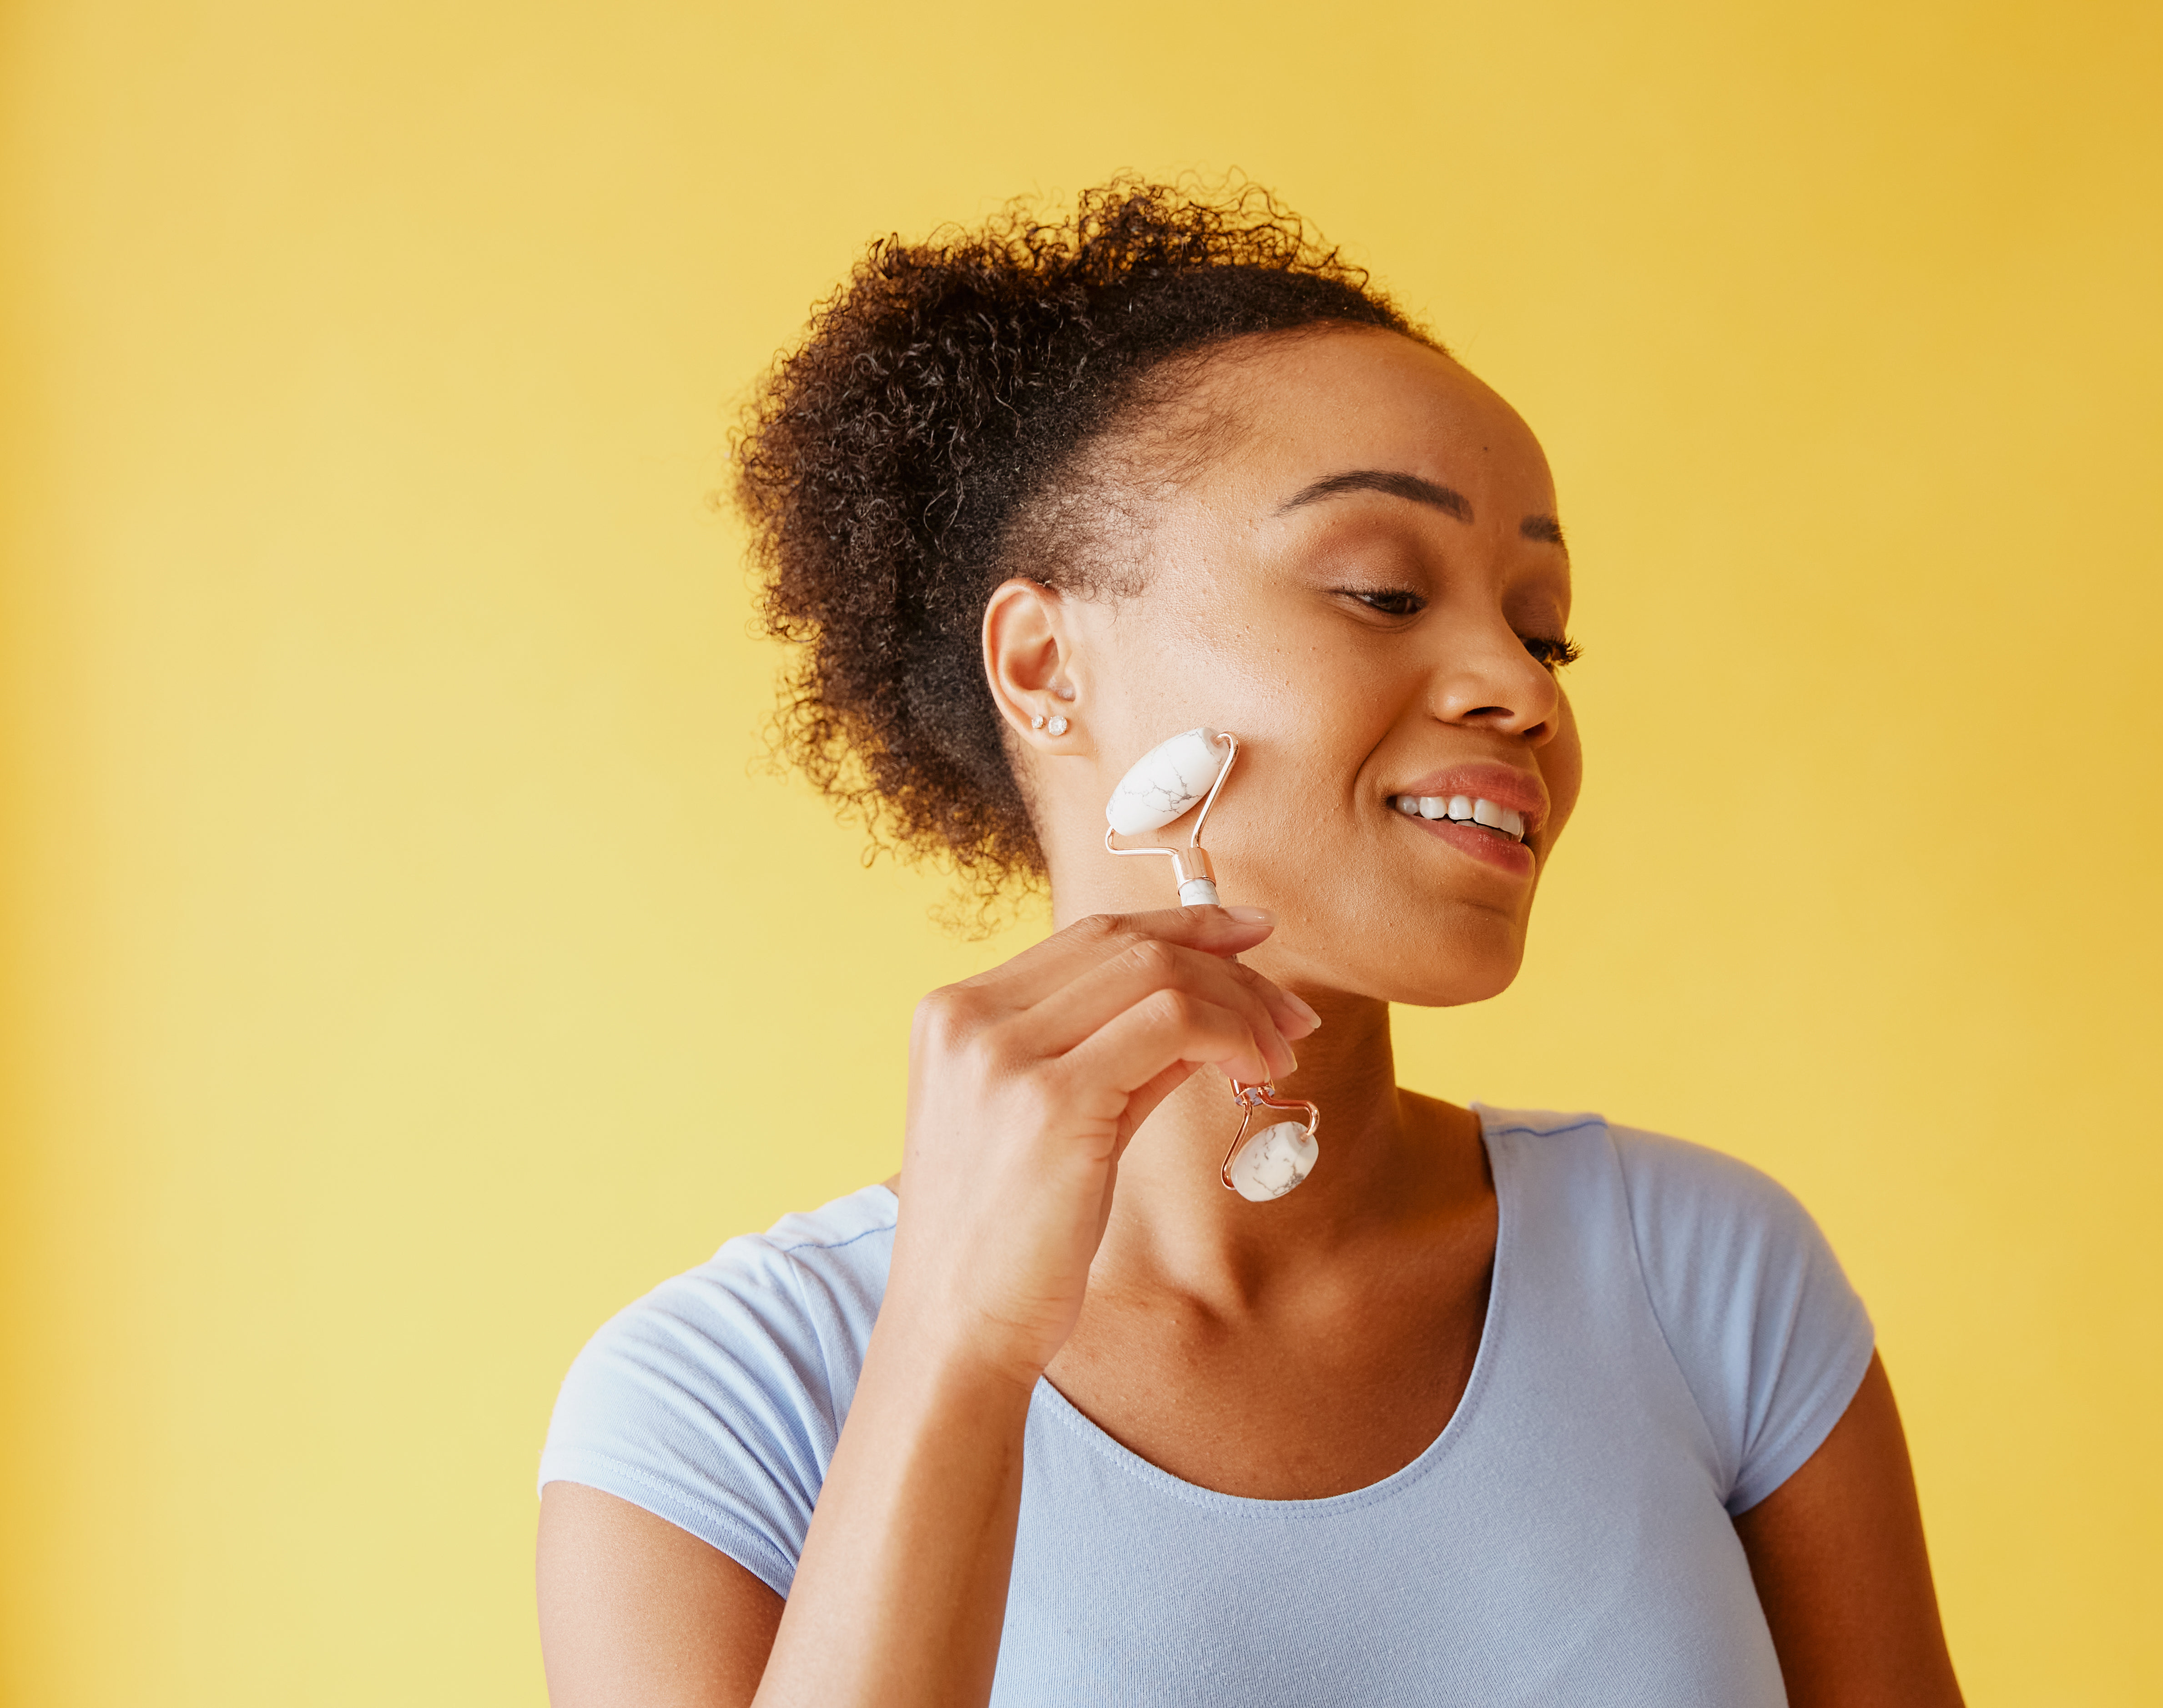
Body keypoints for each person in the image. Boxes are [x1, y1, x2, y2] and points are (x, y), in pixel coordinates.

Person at [533, 180, 1965, 1708]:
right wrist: (957, 1344)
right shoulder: (723, 1405)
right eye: (1382, 590)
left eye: (1545, 628)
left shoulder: (1703, 1282)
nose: (1520, 688)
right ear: (1044, 663)